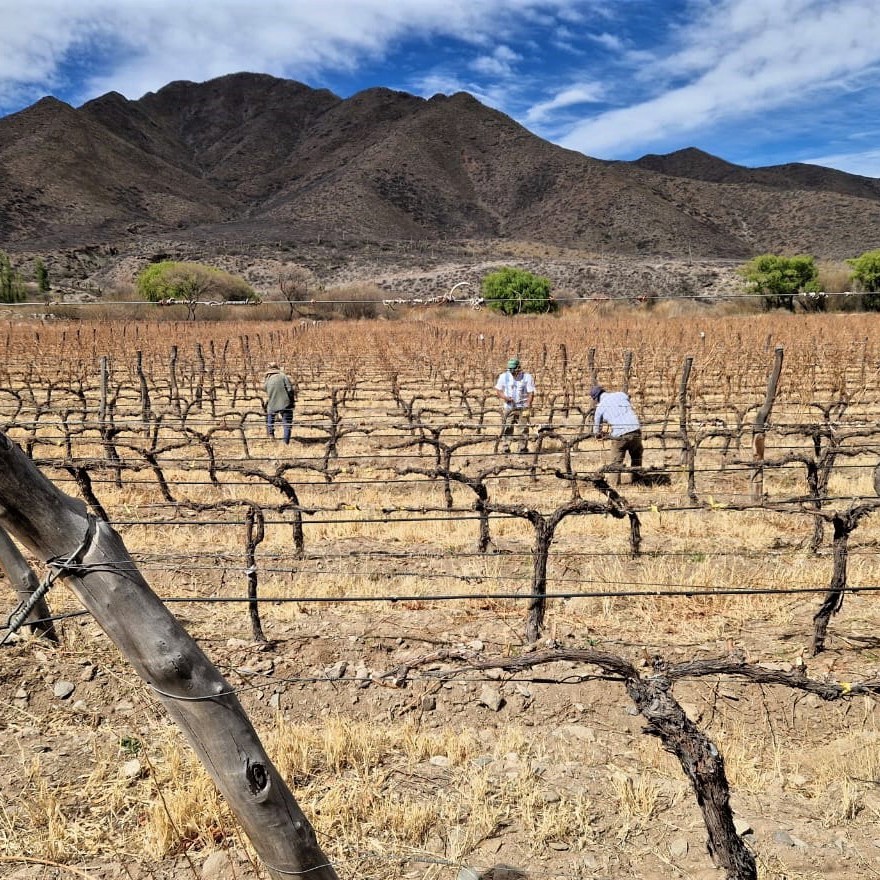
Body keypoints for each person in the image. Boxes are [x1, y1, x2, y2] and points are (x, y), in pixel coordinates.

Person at [591, 385, 642, 484]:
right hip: (635, 429)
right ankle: (637, 480)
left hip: (619, 434)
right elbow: (627, 402)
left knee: (616, 462)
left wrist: (599, 435)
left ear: (596, 399)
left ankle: (614, 485)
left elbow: (596, 428)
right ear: (604, 390)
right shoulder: (621, 394)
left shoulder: (600, 407)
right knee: (636, 456)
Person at [495, 356, 536, 453]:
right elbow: (498, 390)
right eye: (510, 369)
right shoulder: (503, 376)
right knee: (507, 426)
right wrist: (505, 398)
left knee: (524, 428)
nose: (512, 371)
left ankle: (522, 448)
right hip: (509, 407)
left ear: (519, 367)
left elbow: (531, 393)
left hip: (523, 407)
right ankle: (505, 447)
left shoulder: (527, 377)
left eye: (514, 369)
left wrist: (528, 404)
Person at [264, 362, 295, 444]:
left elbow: (265, 389)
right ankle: (286, 442)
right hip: (285, 403)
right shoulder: (283, 376)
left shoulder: (267, 379)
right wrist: (292, 400)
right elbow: (290, 389)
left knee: (270, 417)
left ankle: (271, 434)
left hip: (272, 403)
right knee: (287, 422)